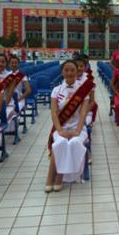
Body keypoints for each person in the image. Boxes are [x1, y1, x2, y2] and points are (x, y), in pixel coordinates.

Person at [45, 61, 91, 192]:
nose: (69, 73)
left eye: (72, 70)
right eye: (66, 70)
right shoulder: (56, 90)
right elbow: (54, 112)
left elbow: (83, 113)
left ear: (77, 72)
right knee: (60, 143)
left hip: (78, 128)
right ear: (62, 72)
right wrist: (60, 130)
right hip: (61, 127)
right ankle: (50, 176)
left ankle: (59, 176)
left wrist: (77, 130)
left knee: (75, 142)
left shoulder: (83, 91)